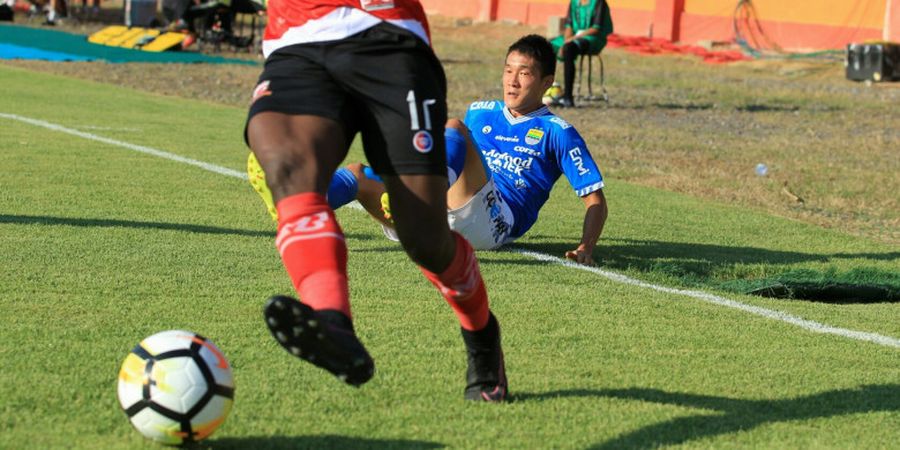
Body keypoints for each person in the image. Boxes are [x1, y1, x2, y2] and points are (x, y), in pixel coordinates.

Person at [244, 0, 507, 402]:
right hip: (296, 37)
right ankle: (331, 320)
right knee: (286, 166)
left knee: (424, 239)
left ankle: (482, 336)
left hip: (388, 36)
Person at [249, 34, 608, 266]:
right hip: (450, 209)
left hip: (497, 221)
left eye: (525, 74)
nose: (512, 81)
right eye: (508, 70)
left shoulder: (558, 132)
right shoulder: (482, 111)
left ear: (547, 82)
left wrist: (586, 247)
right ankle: (296, 210)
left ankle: (418, 199)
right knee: (357, 174)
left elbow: (595, 200)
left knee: (451, 128)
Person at [549, 0, 613, 107]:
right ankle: (546, 90)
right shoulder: (574, 3)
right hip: (573, 37)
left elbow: (596, 28)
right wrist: (566, 40)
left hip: (593, 38)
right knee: (546, 45)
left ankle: (568, 98)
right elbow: (569, 25)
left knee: (569, 49)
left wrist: (571, 40)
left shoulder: (599, 2)